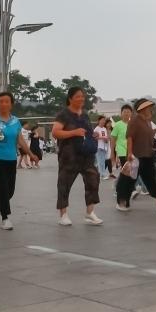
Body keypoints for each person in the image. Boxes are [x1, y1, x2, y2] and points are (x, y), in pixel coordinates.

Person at [51, 87, 103, 226]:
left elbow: (87, 132)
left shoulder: (85, 114)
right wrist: (73, 132)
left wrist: (94, 135)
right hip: (69, 156)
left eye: (82, 96)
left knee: (93, 179)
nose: (81, 99)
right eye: (78, 96)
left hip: (86, 156)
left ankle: (90, 212)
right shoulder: (63, 114)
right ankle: (63, 214)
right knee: (64, 184)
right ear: (70, 98)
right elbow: (55, 132)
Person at [0, 92, 36, 231]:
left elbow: (20, 140)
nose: (3, 104)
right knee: (2, 189)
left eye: (6, 101)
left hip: (11, 159)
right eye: (1, 101)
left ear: (11, 104)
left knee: (10, 191)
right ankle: (5, 218)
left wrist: (31, 154)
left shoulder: (15, 121)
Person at [116, 99, 156, 213]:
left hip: (147, 155)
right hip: (136, 156)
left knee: (152, 179)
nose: (150, 110)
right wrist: (129, 153)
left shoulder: (148, 121)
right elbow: (130, 137)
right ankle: (122, 202)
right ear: (141, 109)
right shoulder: (134, 120)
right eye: (148, 108)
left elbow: (146, 136)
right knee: (128, 180)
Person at [110, 104, 132, 181]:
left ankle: (118, 185)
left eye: (128, 112)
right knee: (126, 169)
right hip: (121, 150)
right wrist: (112, 152)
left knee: (128, 170)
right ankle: (129, 189)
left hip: (130, 151)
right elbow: (113, 139)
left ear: (131, 113)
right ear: (121, 113)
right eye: (124, 112)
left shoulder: (132, 124)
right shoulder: (117, 125)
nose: (126, 113)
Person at [93, 116, 109, 180]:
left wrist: (106, 139)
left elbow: (106, 137)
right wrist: (102, 138)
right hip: (98, 147)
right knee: (100, 162)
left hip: (104, 147)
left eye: (104, 120)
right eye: (102, 120)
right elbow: (94, 137)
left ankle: (101, 174)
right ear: (99, 121)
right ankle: (101, 174)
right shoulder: (96, 129)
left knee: (103, 161)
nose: (103, 121)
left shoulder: (104, 129)